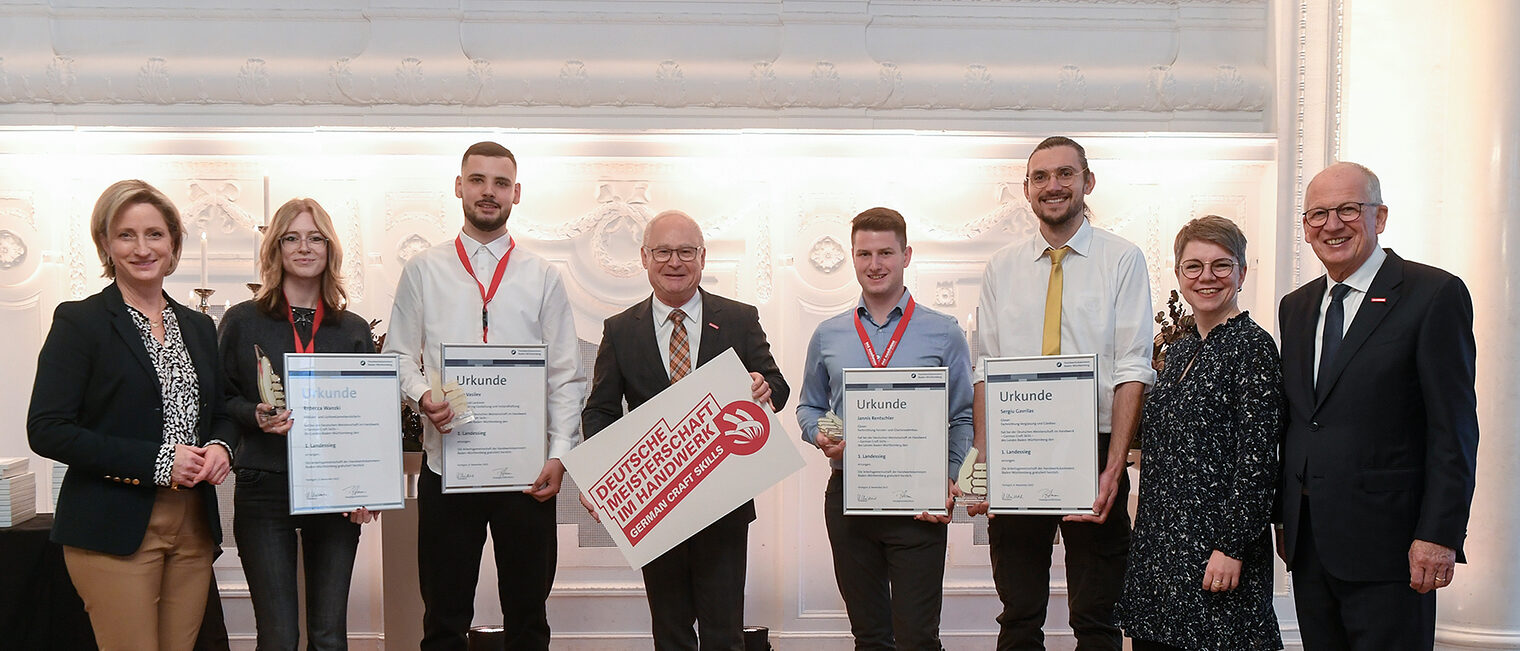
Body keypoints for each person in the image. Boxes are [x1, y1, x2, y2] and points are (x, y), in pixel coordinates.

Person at [383, 141, 588, 651]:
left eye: (500, 183)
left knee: (528, 614)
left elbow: (566, 375)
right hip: (446, 467)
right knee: (444, 615)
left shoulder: (543, 275)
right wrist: (422, 396)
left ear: (516, 194)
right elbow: (398, 357)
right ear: (459, 187)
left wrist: (561, 454)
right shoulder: (423, 270)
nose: (488, 192)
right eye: (477, 180)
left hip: (526, 476)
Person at [1276, 162, 1478, 650]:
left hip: (1394, 548)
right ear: (1305, 228)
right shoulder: (1297, 307)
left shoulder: (1433, 294)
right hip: (1310, 546)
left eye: (1349, 209)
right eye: (1317, 214)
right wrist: (1285, 518)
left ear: (1380, 217)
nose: (1332, 224)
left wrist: (1440, 534)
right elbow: (1305, 420)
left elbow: (1452, 429)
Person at [27, 179, 233, 651]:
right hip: (112, 525)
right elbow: (47, 430)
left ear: (173, 242)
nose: (142, 248)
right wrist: (159, 462)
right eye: (126, 235)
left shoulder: (199, 327)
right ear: (105, 243)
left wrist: (222, 446)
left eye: (155, 234)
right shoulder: (80, 322)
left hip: (194, 527)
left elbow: (220, 411)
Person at [967, 136, 1155, 650]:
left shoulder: (1122, 259)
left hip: (1093, 447)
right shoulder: (1001, 267)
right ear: (1026, 190)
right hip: (1016, 448)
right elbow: (986, 368)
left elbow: (1133, 367)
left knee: (1096, 616)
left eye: (1065, 174)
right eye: (1041, 177)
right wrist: (980, 463)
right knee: (1018, 614)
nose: (1053, 186)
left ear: (1087, 182)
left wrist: (1114, 468)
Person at [580, 209, 788, 651]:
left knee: (723, 634)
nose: (675, 262)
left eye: (686, 251)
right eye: (663, 251)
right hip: (655, 506)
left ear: (703, 257)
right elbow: (599, 411)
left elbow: (779, 387)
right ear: (644, 257)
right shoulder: (619, 331)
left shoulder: (739, 318)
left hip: (724, 503)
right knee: (670, 634)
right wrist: (599, 476)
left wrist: (763, 387)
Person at [796, 207, 973, 650]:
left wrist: (951, 477)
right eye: (864, 254)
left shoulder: (943, 332)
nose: (874, 264)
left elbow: (964, 415)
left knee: (917, 638)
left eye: (885, 253)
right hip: (849, 499)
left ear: (906, 255)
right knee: (870, 636)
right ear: (852, 258)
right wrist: (821, 434)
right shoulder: (828, 334)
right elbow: (811, 405)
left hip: (920, 502)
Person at [1114, 216, 1282, 651]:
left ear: (1242, 273)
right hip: (1161, 549)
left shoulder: (1253, 347)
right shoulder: (1181, 348)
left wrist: (1232, 545)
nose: (1206, 277)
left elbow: (1258, 460)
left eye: (1221, 265)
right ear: (1179, 275)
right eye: (1193, 266)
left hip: (1217, 552)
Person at [217, 198, 376, 650]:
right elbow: (218, 400)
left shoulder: (352, 329)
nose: (304, 247)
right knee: (279, 636)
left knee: (329, 636)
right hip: (264, 485)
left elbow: (368, 416)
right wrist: (254, 415)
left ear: (329, 248)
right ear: (276, 248)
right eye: (292, 238)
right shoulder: (243, 321)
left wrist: (366, 487)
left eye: (315, 237)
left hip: (334, 491)